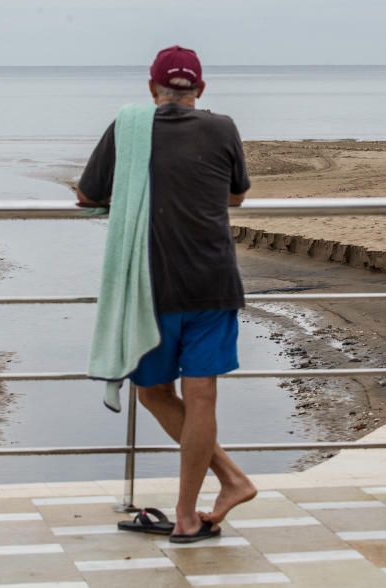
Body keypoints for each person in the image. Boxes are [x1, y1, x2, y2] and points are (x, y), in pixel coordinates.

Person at [78, 45, 255, 543]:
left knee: (155, 393)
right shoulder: (222, 127)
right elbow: (237, 193)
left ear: (151, 88)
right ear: (200, 90)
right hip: (213, 282)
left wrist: (138, 191)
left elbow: (89, 195)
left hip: (150, 285)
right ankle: (193, 509)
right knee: (202, 398)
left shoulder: (128, 128)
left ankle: (224, 487)